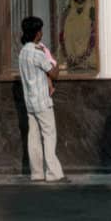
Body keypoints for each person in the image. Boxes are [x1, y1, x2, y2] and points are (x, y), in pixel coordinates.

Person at [18, 15, 66, 182]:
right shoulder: (37, 54)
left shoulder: (23, 53)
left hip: (30, 101)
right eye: (40, 30)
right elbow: (54, 73)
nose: (42, 33)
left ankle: (37, 173)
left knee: (33, 137)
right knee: (49, 136)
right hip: (42, 102)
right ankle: (53, 173)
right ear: (36, 33)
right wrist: (56, 62)